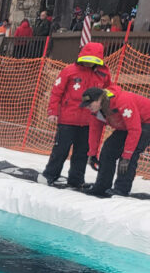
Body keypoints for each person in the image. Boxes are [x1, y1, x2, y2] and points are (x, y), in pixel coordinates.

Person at [39, 42, 112, 189]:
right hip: (68, 119)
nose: (88, 63)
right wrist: (53, 111)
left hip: (89, 121)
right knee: (61, 150)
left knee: (82, 152)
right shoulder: (69, 71)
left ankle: (76, 180)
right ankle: (50, 175)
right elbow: (56, 92)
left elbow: (108, 91)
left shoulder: (103, 73)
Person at [82, 86, 150, 197]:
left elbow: (135, 130)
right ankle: (102, 186)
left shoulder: (122, 102)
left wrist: (126, 156)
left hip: (146, 122)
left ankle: (121, 190)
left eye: (90, 104)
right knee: (108, 150)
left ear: (99, 100)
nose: (88, 107)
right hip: (127, 126)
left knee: (130, 155)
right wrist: (92, 154)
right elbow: (95, 130)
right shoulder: (96, 111)